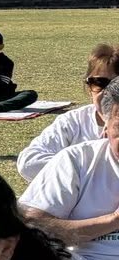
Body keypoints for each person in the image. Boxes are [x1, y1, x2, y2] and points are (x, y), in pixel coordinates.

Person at [20, 77, 119, 260]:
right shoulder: (77, 161)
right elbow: (31, 223)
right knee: (34, 253)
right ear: (105, 123)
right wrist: (112, 221)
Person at [18, 44, 113, 182]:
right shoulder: (73, 121)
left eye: (117, 84)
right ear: (89, 87)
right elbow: (28, 162)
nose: (109, 92)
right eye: (99, 82)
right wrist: (86, 167)